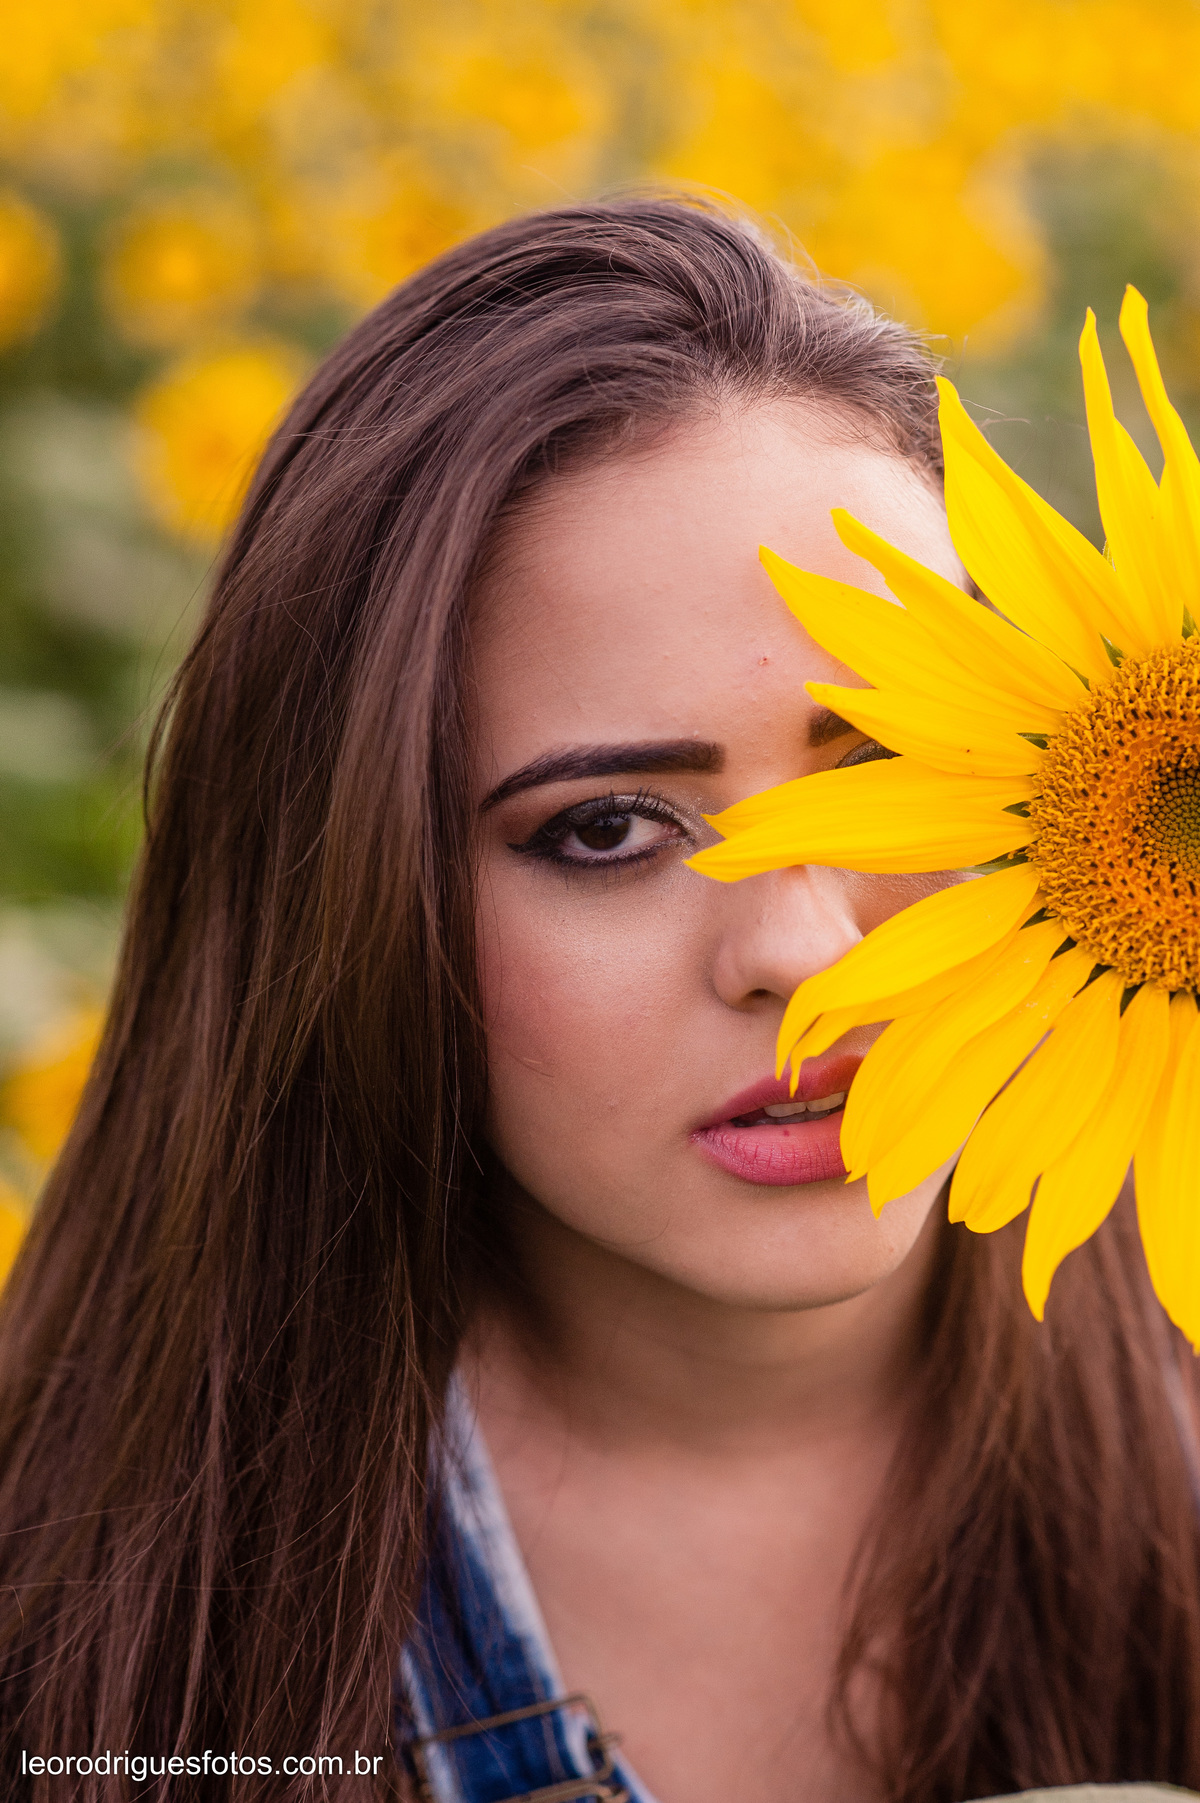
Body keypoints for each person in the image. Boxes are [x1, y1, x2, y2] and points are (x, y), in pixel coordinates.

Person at [0, 197, 1198, 1803]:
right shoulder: (85, 1630)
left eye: (904, 777)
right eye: (609, 827)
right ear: (354, 893)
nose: (806, 949)